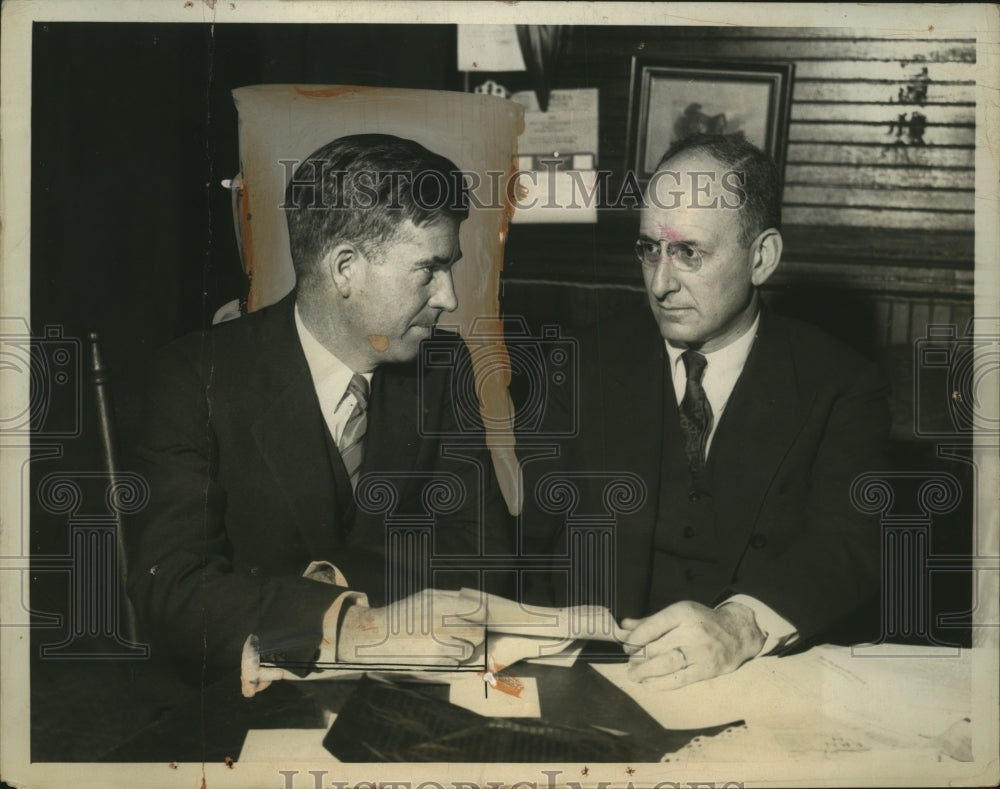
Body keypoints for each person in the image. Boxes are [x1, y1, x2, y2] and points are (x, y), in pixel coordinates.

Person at [128, 134, 511, 690]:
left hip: (412, 688)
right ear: (345, 268)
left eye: (449, 268)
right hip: (241, 704)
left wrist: (335, 583)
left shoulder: (444, 368)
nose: (449, 298)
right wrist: (345, 624)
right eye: (429, 269)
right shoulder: (194, 379)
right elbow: (174, 588)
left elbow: (484, 553)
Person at [520, 134, 890, 689]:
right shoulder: (577, 365)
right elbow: (517, 537)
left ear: (760, 257)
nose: (661, 283)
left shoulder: (840, 382)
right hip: (593, 676)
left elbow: (851, 544)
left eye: (689, 252)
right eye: (650, 249)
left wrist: (740, 627)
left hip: (760, 678)